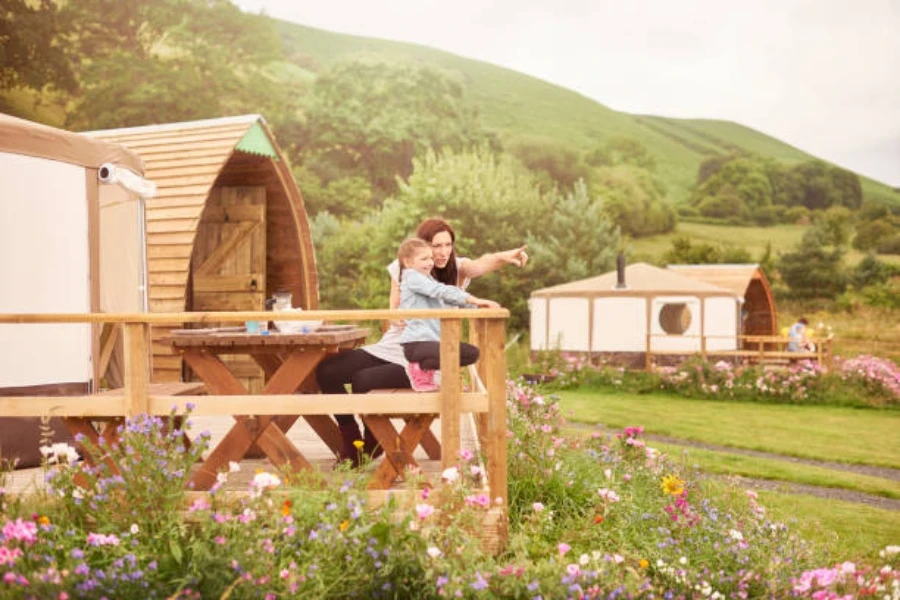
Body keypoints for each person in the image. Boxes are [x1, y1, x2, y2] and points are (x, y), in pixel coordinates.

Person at [315, 217, 528, 467]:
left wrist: (504, 257)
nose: (442, 252)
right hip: (394, 344)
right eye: (436, 246)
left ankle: (372, 439)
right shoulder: (407, 269)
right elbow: (393, 308)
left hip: (422, 354)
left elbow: (480, 265)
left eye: (448, 244)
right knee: (327, 371)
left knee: (363, 380)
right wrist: (397, 316)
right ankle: (352, 440)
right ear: (422, 246)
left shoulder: (456, 269)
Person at [396, 237, 500, 391]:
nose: (430, 262)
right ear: (408, 262)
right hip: (417, 343)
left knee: (471, 354)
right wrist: (475, 300)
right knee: (468, 353)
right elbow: (441, 291)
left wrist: (476, 307)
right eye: (424, 259)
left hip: (428, 344)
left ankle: (422, 368)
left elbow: (447, 299)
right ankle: (417, 367)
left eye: (431, 258)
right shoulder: (412, 277)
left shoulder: (427, 280)